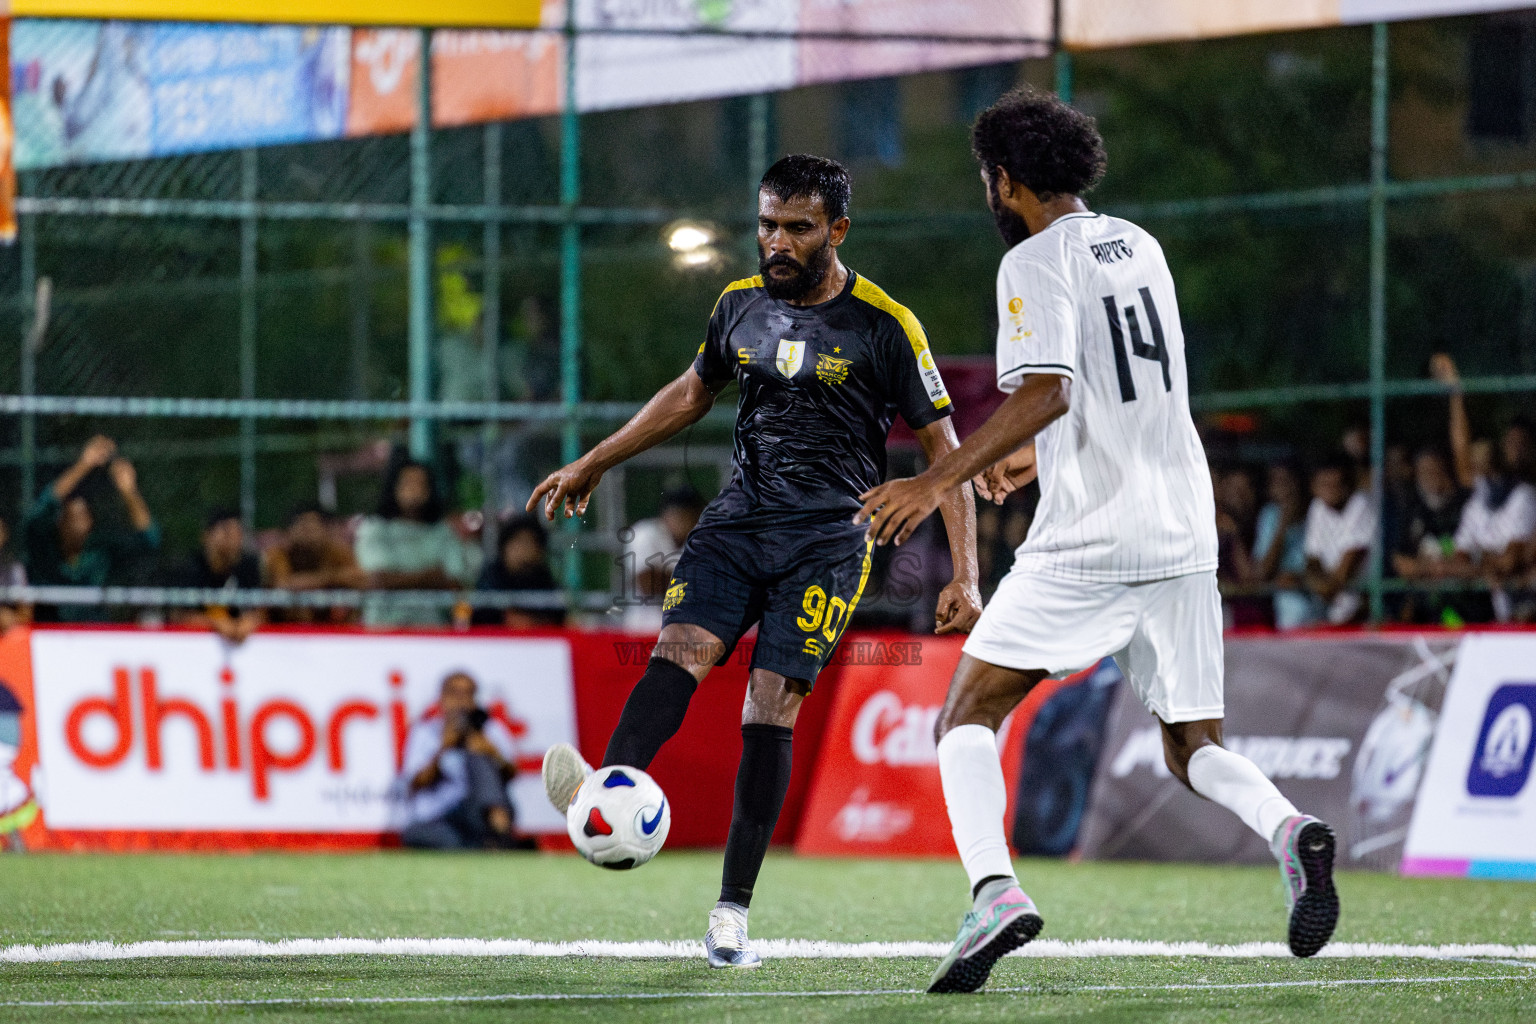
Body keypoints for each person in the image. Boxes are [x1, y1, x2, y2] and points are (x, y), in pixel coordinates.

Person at [851, 88, 1339, 993]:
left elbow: (1051, 391)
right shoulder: (1140, 244)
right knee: (1193, 744)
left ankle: (994, 892)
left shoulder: (1032, 261)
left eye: (987, 180)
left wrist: (935, 478)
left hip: (1093, 537)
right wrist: (1041, 455)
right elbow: (1115, 387)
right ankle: (1289, 831)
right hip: (1184, 526)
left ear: (1007, 180)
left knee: (966, 714)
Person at [532, 154, 982, 969]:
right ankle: (610, 795)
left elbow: (945, 453)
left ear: (837, 231)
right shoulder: (736, 306)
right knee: (678, 654)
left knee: (769, 705)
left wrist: (966, 574)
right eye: (768, 224)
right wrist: (597, 458)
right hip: (736, 525)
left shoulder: (886, 325)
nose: (777, 241)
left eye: (798, 228)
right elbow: (691, 391)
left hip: (829, 543)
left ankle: (730, 913)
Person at [20, 435, 159, 622]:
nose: (77, 525)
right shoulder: (44, 549)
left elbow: (149, 540)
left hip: (93, 635)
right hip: (48, 636)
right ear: (60, 523)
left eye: (82, 517)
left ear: (90, 523)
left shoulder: (100, 550)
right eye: (70, 518)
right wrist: (84, 465)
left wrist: (129, 492)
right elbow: (39, 512)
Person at [399, 672, 521, 849]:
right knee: (427, 836)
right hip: (440, 817)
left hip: (479, 812)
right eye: (454, 694)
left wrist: (491, 752)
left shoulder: (490, 729)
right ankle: (493, 846)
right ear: (441, 699)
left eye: (467, 694)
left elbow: (512, 773)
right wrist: (443, 749)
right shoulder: (425, 732)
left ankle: (498, 834)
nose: (461, 702)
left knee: (479, 757)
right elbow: (414, 783)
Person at [355, 459, 475, 628]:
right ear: (393, 487)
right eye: (408, 483)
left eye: (421, 484)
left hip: (432, 631)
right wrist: (431, 577)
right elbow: (377, 580)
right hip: (381, 629)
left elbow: (455, 584)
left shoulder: (442, 532)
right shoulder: (375, 528)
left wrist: (397, 578)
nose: (414, 490)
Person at [1390, 447, 1472, 623]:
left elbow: (1471, 563)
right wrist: (1435, 568)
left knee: (1454, 621)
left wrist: (1444, 568)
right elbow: (1402, 563)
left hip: (1465, 602)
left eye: (1436, 470)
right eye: (1424, 472)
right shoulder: (1412, 509)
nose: (1431, 477)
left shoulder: (1466, 505)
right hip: (1425, 604)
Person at [168, 507, 264, 644]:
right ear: (206, 536)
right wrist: (216, 622)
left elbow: (262, 609)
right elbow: (178, 616)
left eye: (238, 533)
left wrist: (250, 620)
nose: (233, 538)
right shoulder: (190, 568)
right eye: (226, 531)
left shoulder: (247, 566)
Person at [1301, 457, 1377, 626]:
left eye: (1336, 484)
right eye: (1324, 484)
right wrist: (1315, 580)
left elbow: (1342, 575)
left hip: (1365, 609)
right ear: (1313, 487)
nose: (1331, 490)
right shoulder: (1318, 507)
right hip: (1332, 608)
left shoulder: (1361, 503)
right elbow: (1312, 560)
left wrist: (1312, 582)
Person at [264, 504, 367, 623]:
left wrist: (326, 579)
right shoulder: (279, 554)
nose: (309, 533)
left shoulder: (336, 552)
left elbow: (360, 579)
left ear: (324, 529)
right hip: (289, 624)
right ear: (290, 531)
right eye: (304, 527)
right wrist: (332, 578)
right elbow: (284, 584)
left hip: (332, 624)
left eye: (314, 527)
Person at [621, 488, 705, 632]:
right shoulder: (645, 533)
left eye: (689, 514)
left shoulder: (703, 538)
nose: (683, 520)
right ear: (664, 514)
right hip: (645, 630)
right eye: (678, 513)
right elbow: (648, 584)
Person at [1251, 462, 1315, 630]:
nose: (1285, 488)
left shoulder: (1316, 512)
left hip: (1321, 610)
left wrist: (1301, 579)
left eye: (1288, 481)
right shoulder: (1270, 516)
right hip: (1287, 615)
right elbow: (1263, 571)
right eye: (1277, 482)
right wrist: (1283, 526)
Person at [474, 514, 564, 628]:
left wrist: (534, 623)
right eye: (518, 542)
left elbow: (558, 616)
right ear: (504, 548)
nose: (523, 550)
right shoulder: (490, 580)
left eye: (530, 542)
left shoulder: (544, 580)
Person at [0, 518, 32, 633]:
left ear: (4, 535)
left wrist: (12, 618)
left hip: (8, 637)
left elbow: (26, 613)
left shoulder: (14, 570)